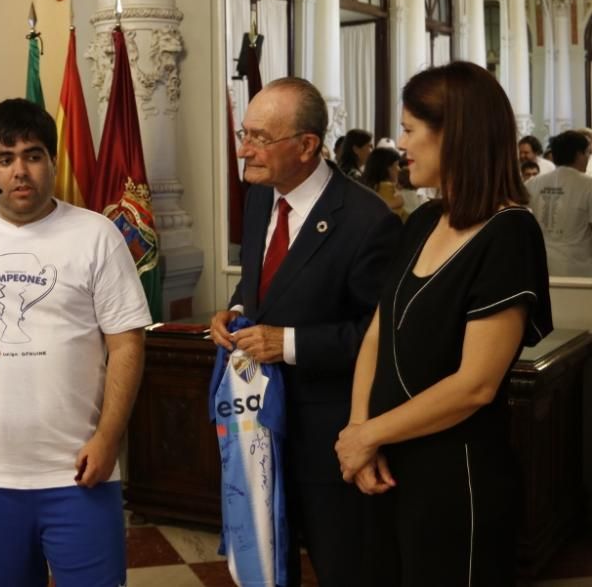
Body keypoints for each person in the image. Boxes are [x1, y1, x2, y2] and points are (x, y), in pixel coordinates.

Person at [0, 98, 152, 587]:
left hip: (79, 470)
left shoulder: (96, 235)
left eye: (33, 155)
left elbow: (127, 343)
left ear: (52, 162)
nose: (20, 171)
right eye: (4, 158)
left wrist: (108, 438)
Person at [335, 61, 552, 587]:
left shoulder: (510, 233)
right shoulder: (426, 219)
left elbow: (475, 385)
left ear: (455, 134)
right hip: (386, 462)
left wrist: (369, 435)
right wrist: (360, 431)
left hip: (455, 475)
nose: (400, 143)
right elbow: (377, 336)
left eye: (410, 129)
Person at [210, 77, 402, 587]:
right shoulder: (258, 199)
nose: (244, 149)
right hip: (259, 431)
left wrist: (287, 344)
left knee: (347, 567)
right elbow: (263, 288)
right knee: (268, 568)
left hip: (329, 435)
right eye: (242, 133)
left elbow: (382, 336)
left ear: (306, 146)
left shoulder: (367, 220)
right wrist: (233, 311)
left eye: (258, 137)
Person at [525, 129, 592, 276]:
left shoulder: (533, 183)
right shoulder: (588, 185)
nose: (588, 158)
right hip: (578, 268)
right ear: (578, 155)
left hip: (540, 264)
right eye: (587, 153)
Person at [363, 146, 407, 221]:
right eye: (396, 165)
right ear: (388, 169)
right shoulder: (388, 189)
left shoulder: (366, 189)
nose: (399, 169)